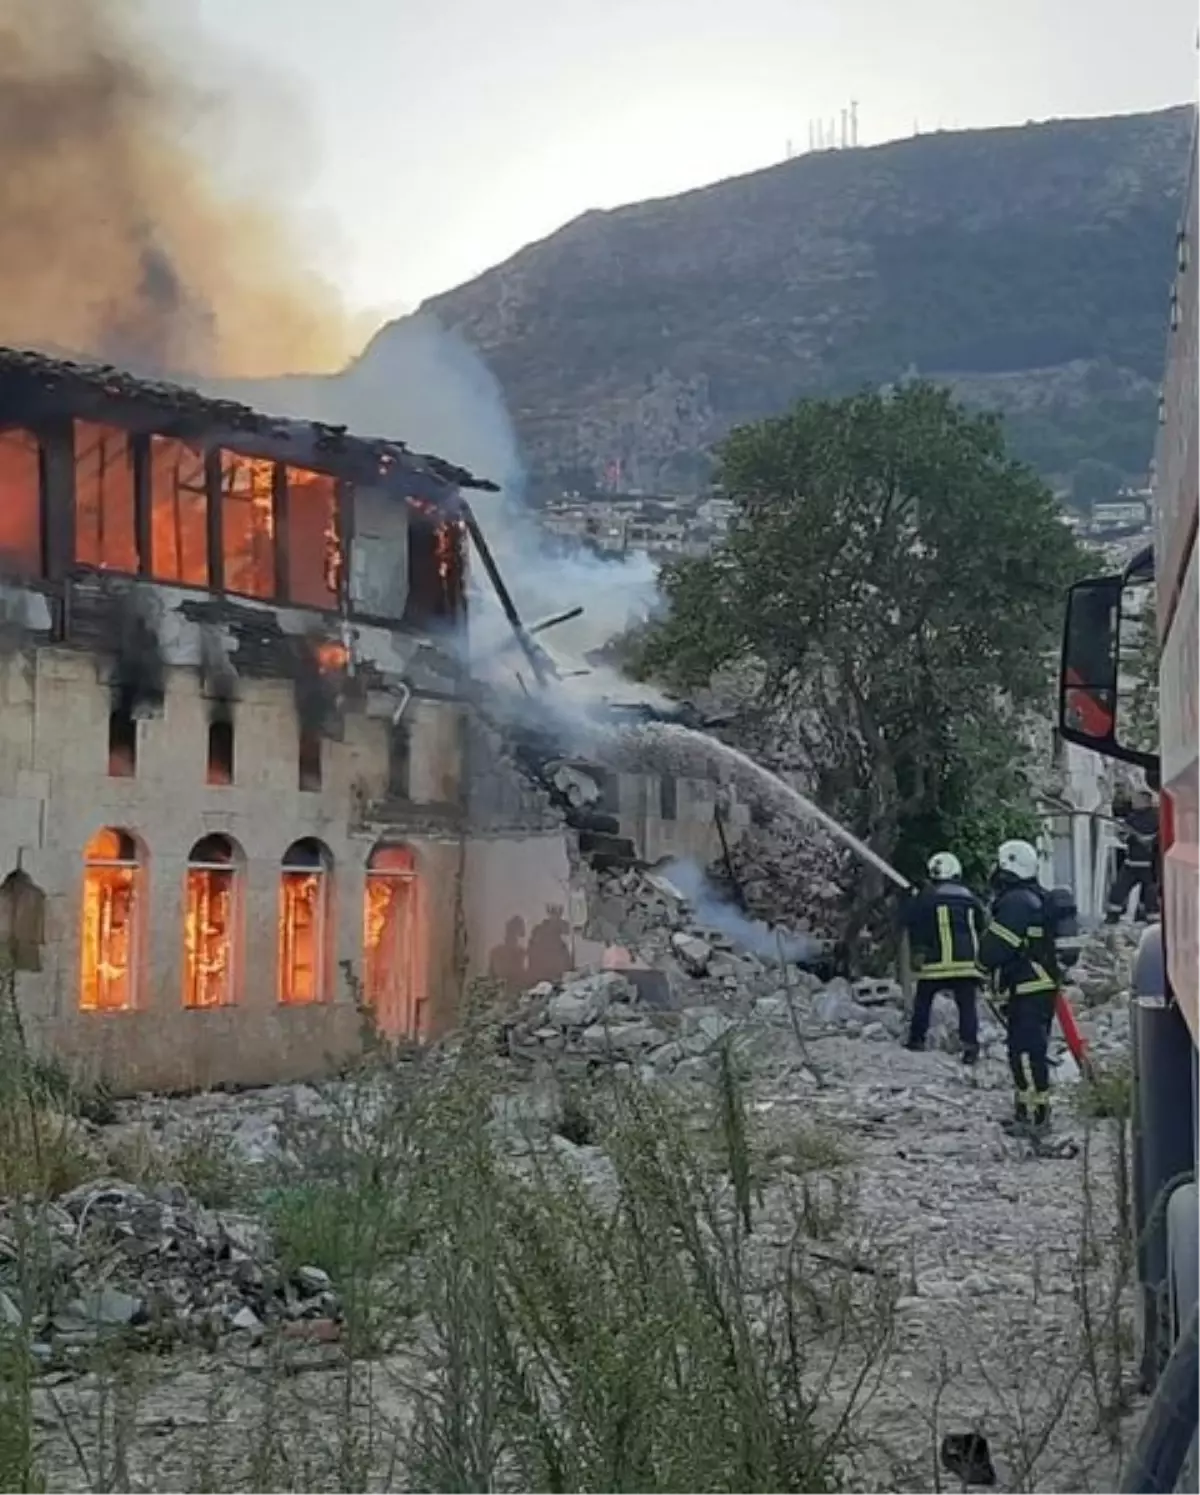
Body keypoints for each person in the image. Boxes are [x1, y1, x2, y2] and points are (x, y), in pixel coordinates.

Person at [977, 838, 1060, 1136]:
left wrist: (980, 967)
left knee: (1024, 1053)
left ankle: (1034, 1118)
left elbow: (996, 947)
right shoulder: (1035, 897)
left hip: (1028, 986)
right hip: (1038, 985)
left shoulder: (1015, 903)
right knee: (1031, 1050)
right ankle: (1032, 1112)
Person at [901, 851, 985, 1064]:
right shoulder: (971, 897)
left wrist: (910, 897)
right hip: (967, 964)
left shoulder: (926, 897)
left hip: (936, 964)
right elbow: (982, 925)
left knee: (923, 1001)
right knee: (967, 1006)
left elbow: (908, 919)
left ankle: (916, 1041)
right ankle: (970, 1049)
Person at [1105, 788, 1160, 923]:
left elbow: (1157, 837)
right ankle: (1112, 916)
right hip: (1131, 863)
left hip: (1150, 865)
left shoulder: (1157, 817)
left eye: (1137, 799)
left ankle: (1151, 921)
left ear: (1146, 801)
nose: (1133, 802)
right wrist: (1122, 834)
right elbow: (1123, 838)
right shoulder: (1131, 818)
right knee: (1118, 890)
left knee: (1150, 896)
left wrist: (1147, 839)